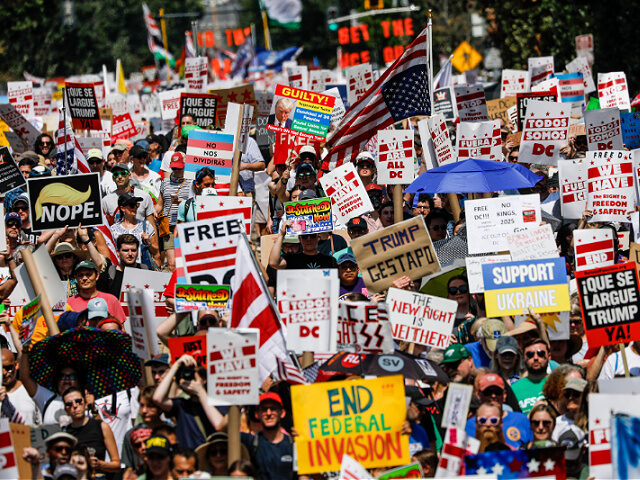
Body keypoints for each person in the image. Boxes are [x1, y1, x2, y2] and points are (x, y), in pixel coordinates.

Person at [152, 354, 225, 449]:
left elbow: (219, 425)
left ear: (204, 379)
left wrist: (200, 391)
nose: (188, 380)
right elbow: (157, 398)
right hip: (188, 460)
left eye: (192, 375)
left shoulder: (218, 403)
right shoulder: (181, 405)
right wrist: (175, 366)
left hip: (212, 456)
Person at [62, 387, 121, 475]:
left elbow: (117, 465)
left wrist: (100, 464)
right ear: (66, 411)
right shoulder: (65, 433)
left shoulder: (101, 426)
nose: (75, 406)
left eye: (78, 401)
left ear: (85, 404)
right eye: (69, 404)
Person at [465, 373, 532, 449]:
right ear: (479, 396)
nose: (493, 396)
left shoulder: (521, 420)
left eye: (497, 392)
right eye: (488, 392)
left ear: (504, 395)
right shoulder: (470, 425)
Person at [241, 392, 294, 480]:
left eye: (273, 409)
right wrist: (237, 406)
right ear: (257, 414)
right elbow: (220, 427)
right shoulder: (251, 442)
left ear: (282, 413)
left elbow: (304, 475)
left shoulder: (293, 444)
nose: (268, 413)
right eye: (264, 409)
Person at [156, 152, 190, 272]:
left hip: (185, 226)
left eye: (179, 168)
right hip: (169, 227)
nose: (176, 171)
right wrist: (154, 213)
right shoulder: (165, 182)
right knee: (171, 264)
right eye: (174, 168)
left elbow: (196, 203)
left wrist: (182, 202)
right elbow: (160, 204)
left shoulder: (191, 182)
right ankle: (172, 289)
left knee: (184, 262)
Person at [65, 260, 127, 325]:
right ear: (76, 278)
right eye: (81, 275)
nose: (84, 278)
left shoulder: (111, 300)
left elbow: (121, 329)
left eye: (88, 274)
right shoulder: (68, 303)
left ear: (97, 276)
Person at [109, 194, 160, 267]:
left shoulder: (146, 226)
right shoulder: (113, 230)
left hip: (142, 268)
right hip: (121, 269)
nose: (135, 208)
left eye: (137, 205)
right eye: (132, 205)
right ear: (123, 208)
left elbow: (156, 253)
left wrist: (148, 242)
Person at [102, 163, 156, 228]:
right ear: (113, 178)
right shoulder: (106, 201)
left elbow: (152, 226)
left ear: (130, 176)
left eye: (123, 173)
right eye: (116, 174)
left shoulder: (144, 196)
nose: (119, 177)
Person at [269, 220, 338, 270]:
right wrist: (281, 235)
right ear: (300, 239)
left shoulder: (329, 260)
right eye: (304, 236)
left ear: (318, 238)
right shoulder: (291, 259)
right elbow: (273, 263)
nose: (308, 239)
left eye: (312, 236)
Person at [2, 347, 40, 426]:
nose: (4, 372)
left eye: (8, 368)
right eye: (0, 369)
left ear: (16, 365)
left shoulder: (30, 390)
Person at [511, 338, 550, 415]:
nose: (535, 358)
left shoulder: (559, 384)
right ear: (523, 358)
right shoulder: (513, 389)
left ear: (549, 356)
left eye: (541, 353)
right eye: (530, 354)